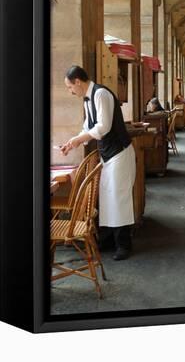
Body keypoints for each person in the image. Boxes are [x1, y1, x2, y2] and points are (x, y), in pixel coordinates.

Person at [60, 65, 136, 261]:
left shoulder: (101, 94)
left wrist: (78, 140)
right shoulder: (87, 100)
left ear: (78, 81)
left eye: (70, 87)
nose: (70, 91)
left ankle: (124, 245)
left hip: (120, 152)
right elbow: (88, 128)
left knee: (119, 199)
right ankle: (109, 240)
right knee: (108, 199)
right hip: (108, 155)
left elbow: (103, 127)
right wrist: (72, 142)